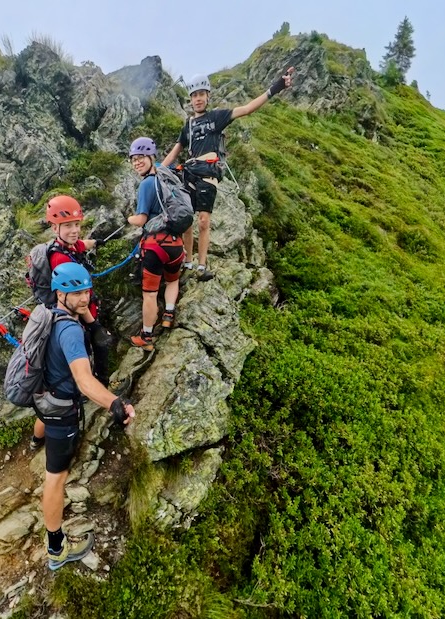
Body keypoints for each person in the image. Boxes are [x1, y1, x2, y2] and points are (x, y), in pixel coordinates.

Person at [38, 262, 134, 570]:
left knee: (46, 431)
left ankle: (35, 440)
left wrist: (91, 321)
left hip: (46, 395)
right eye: (76, 293)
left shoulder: (52, 313)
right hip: (62, 412)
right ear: (60, 294)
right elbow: (83, 380)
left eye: (86, 291)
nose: (84, 298)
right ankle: (56, 549)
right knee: (56, 478)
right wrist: (115, 403)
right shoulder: (69, 332)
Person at [161, 68, 296, 281]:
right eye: (194, 95)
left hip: (208, 173)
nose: (198, 99)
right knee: (186, 219)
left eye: (201, 94)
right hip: (189, 172)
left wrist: (277, 86)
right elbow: (175, 151)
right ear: (191, 99)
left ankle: (201, 266)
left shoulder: (217, 117)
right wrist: (157, 171)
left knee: (203, 221)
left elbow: (247, 109)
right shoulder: (188, 126)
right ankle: (187, 262)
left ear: (208, 96)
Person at [30, 195, 114, 451]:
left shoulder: (65, 246)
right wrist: (94, 325)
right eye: (68, 226)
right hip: (75, 319)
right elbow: (76, 299)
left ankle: (35, 440)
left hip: (69, 317)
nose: (75, 230)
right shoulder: (61, 260)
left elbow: (79, 245)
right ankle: (98, 387)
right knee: (80, 367)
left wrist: (95, 242)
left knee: (54, 389)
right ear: (54, 227)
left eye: (77, 224)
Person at [126, 137, 184, 351]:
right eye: (134, 159)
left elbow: (141, 219)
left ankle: (147, 336)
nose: (137, 162)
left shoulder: (147, 184)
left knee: (149, 294)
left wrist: (128, 219)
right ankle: (168, 313)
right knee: (172, 280)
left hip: (155, 246)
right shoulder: (166, 177)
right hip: (176, 245)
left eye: (141, 157)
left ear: (151, 157)